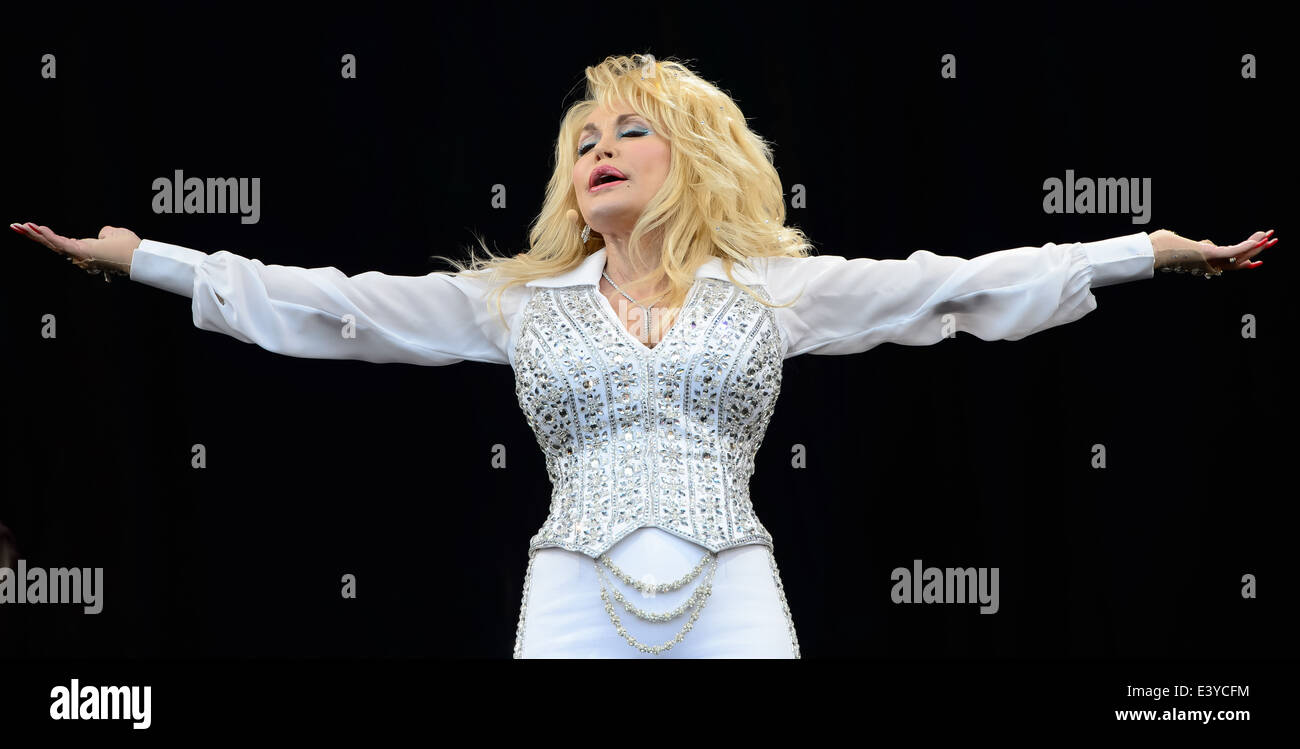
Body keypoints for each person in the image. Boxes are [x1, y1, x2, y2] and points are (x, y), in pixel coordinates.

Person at [11, 54, 1277, 659]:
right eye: (581, 139)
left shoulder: (776, 290)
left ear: (692, 158)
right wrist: (141, 254)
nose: (597, 149)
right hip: (569, 594)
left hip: (732, 589)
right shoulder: (520, 302)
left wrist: (1147, 249)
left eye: (629, 131)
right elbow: (337, 305)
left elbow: (956, 288)